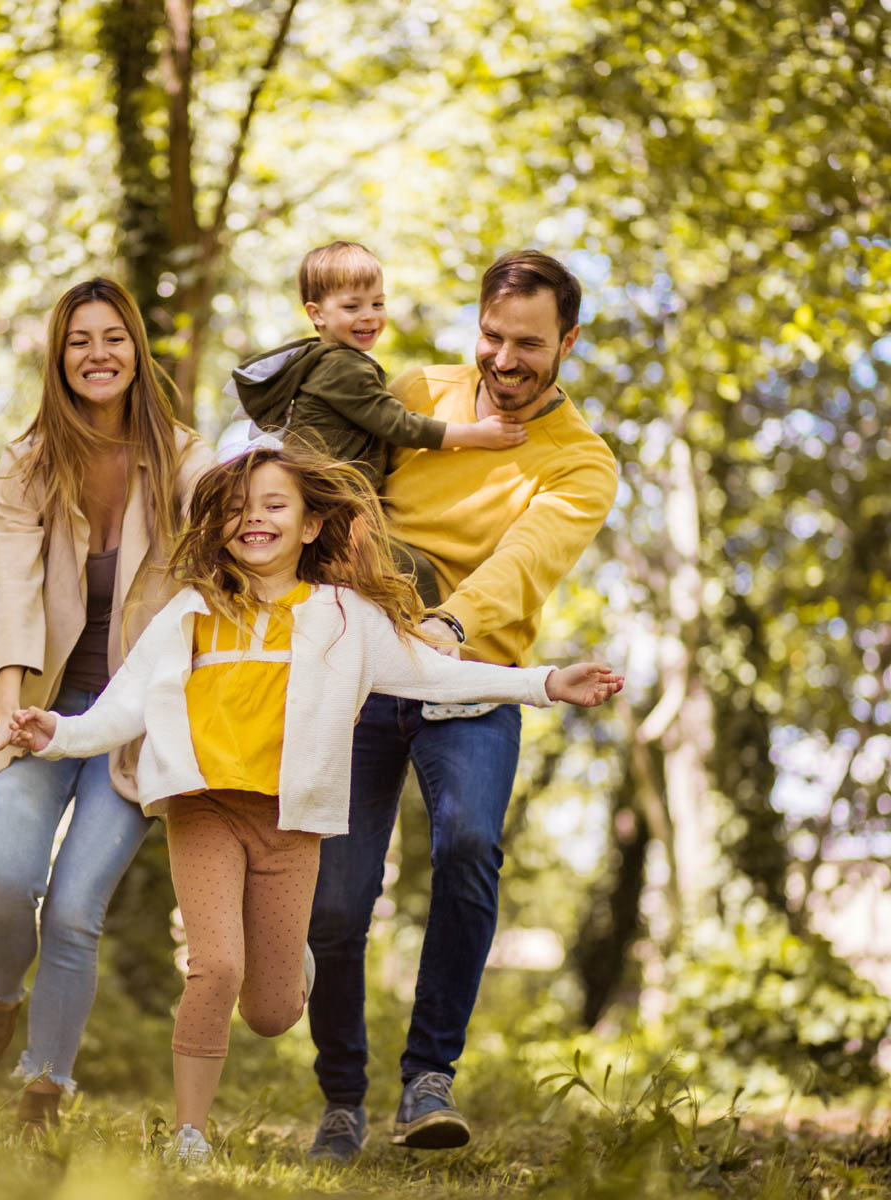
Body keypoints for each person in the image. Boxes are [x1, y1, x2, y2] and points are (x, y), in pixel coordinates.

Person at [7, 445, 622, 1164]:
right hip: (203, 809)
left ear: (309, 526)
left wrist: (546, 683)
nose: (253, 519)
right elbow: (123, 709)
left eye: (274, 505)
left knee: (269, 1012)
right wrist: (58, 734)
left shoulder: (344, 616)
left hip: (289, 822)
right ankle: (190, 1135)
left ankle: (286, 960)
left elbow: (435, 676)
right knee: (216, 969)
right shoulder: (191, 611)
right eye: (238, 508)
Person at [306, 250, 621, 1161]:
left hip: (476, 673)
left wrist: (444, 628)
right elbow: (349, 497)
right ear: (475, 327)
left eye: (530, 343)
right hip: (364, 668)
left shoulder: (582, 463)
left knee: (470, 844)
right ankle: (340, 1097)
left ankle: (428, 1078)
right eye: (493, 336)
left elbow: (522, 564)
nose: (507, 359)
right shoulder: (415, 394)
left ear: (567, 341)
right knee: (337, 899)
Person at [0, 277, 213, 1136]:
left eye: (113, 337)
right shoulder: (28, 463)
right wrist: (6, 710)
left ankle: (43, 1091)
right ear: (59, 356)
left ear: (137, 350)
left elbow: (231, 539)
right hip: (38, 703)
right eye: (79, 340)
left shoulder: (187, 460)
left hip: (131, 719)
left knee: (77, 910)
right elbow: (13, 589)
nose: (97, 354)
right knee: (7, 878)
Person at [228, 241, 527, 606]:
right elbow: (399, 425)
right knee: (412, 572)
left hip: (324, 503)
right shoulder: (343, 367)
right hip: (329, 505)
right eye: (352, 306)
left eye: (378, 303)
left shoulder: (328, 360)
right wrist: (477, 434)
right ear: (316, 313)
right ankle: (432, 646)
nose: (369, 316)